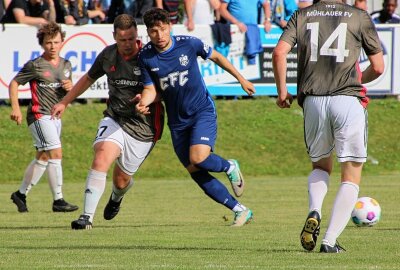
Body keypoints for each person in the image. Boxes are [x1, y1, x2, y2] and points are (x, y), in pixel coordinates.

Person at [272, 0, 384, 252]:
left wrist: (282, 93)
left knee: (321, 166)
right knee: (351, 174)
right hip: (347, 100)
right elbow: (378, 67)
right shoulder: (359, 16)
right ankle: (329, 241)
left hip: (313, 101)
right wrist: (358, 79)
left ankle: (314, 209)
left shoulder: (301, 15)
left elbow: (279, 53)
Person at [136, 8, 255, 227]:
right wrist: (144, 102)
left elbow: (217, 57)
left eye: (162, 29)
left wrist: (241, 79)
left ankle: (229, 166)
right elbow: (151, 89)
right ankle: (240, 210)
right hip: (177, 122)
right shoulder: (145, 56)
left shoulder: (188, 44)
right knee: (195, 170)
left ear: (170, 26)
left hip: (201, 111)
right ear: (148, 32)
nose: (159, 35)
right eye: (154, 31)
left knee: (198, 157)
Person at [51, 14, 164, 230]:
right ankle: (86, 218)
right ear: (114, 37)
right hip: (115, 118)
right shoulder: (108, 55)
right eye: (122, 40)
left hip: (144, 128)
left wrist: (150, 98)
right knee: (102, 155)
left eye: (131, 39)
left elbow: (165, 90)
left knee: (121, 180)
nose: (127, 44)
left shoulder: (150, 57)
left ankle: (116, 197)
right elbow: (87, 79)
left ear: (137, 36)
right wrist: (65, 102)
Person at [9, 22, 79, 213]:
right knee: (56, 153)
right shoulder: (36, 65)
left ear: (62, 41)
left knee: (43, 158)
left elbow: (67, 95)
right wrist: (15, 108)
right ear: (42, 44)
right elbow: (14, 83)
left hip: (55, 117)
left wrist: (70, 90)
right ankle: (59, 200)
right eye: (49, 42)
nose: (53, 46)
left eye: (56, 42)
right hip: (39, 116)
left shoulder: (66, 65)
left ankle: (20, 194)